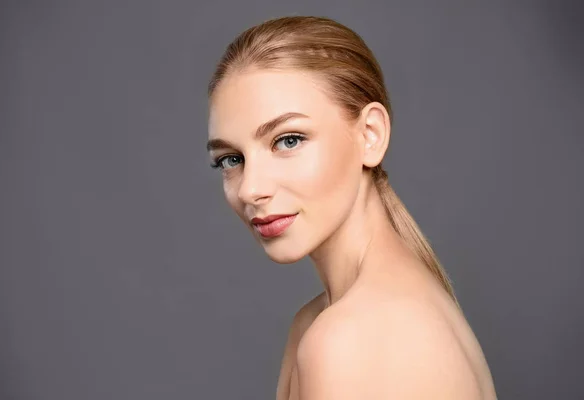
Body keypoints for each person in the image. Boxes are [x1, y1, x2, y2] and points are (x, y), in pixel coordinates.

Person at [206, 15, 497, 400]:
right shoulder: (328, 320)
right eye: (231, 159)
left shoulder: (349, 339)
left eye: (288, 140)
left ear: (370, 135)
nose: (250, 189)